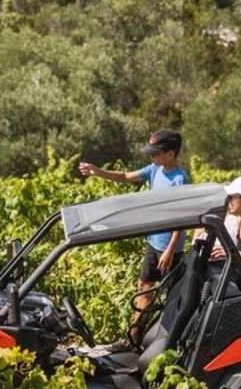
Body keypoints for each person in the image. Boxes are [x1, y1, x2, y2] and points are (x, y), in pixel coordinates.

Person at [80, 128, 189, 333]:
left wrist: (170, 250)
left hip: (169, 249)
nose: (151, 156)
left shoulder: (179, 179)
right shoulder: (154, 169)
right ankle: (135, 334)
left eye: (155, 153)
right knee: (143, 287)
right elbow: (126, 176)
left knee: (173, 296)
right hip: (154, 242)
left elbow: (182, 218)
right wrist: (97, 172)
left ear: (170, 154)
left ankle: (162, 335)